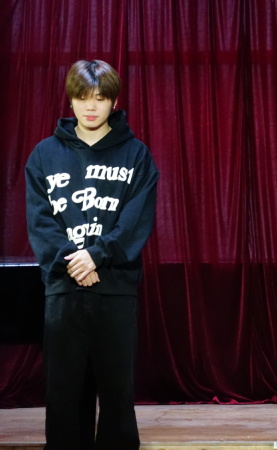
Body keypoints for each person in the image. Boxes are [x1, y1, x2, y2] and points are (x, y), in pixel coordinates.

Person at [25, 60, 159, 449]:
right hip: (63, 292)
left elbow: (136, 220)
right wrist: (77, 261)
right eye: (83, 97)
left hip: (114, 290)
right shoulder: (44, 155)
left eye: (100, 98)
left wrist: (97, 255)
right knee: (63, 397)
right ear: (70, 100)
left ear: (113, 101)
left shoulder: (136, 155)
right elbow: (40, 222)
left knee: (117, 396)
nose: (91, 106)